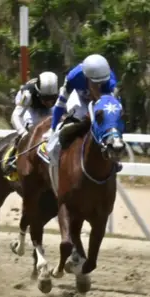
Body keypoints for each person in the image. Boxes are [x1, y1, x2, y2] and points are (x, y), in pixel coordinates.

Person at [45, 54, 122, 193]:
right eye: (95, 83)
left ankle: (114, 162)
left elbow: (114, 112)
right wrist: (53, 128)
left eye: (102, 83)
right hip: (80, 101)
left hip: (102, 102)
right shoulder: (73, 77)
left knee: (110, 129)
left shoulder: (110, 80)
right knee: (59, 137)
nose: (99, 87)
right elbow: (60, 104)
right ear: (86, 77)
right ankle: (56, 165)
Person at [3, 71, 59, 175]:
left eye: (52, 99)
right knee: (32, 126)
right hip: (29, 106)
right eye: (45, 99)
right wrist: (23, 133)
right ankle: (13, 157)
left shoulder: (59, 93)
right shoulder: (28, 95)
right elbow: (15, 116)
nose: (49, 103)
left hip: (40, 102)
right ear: (38, 93)